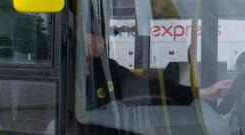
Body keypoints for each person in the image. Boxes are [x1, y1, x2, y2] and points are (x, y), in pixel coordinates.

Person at [83, 21, 232, 109]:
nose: (103, 44)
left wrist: (201, 93)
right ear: (79, 32)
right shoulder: (63, 70)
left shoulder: (107, 68)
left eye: (104, 39)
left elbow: (148, 87)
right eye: (97, 38)